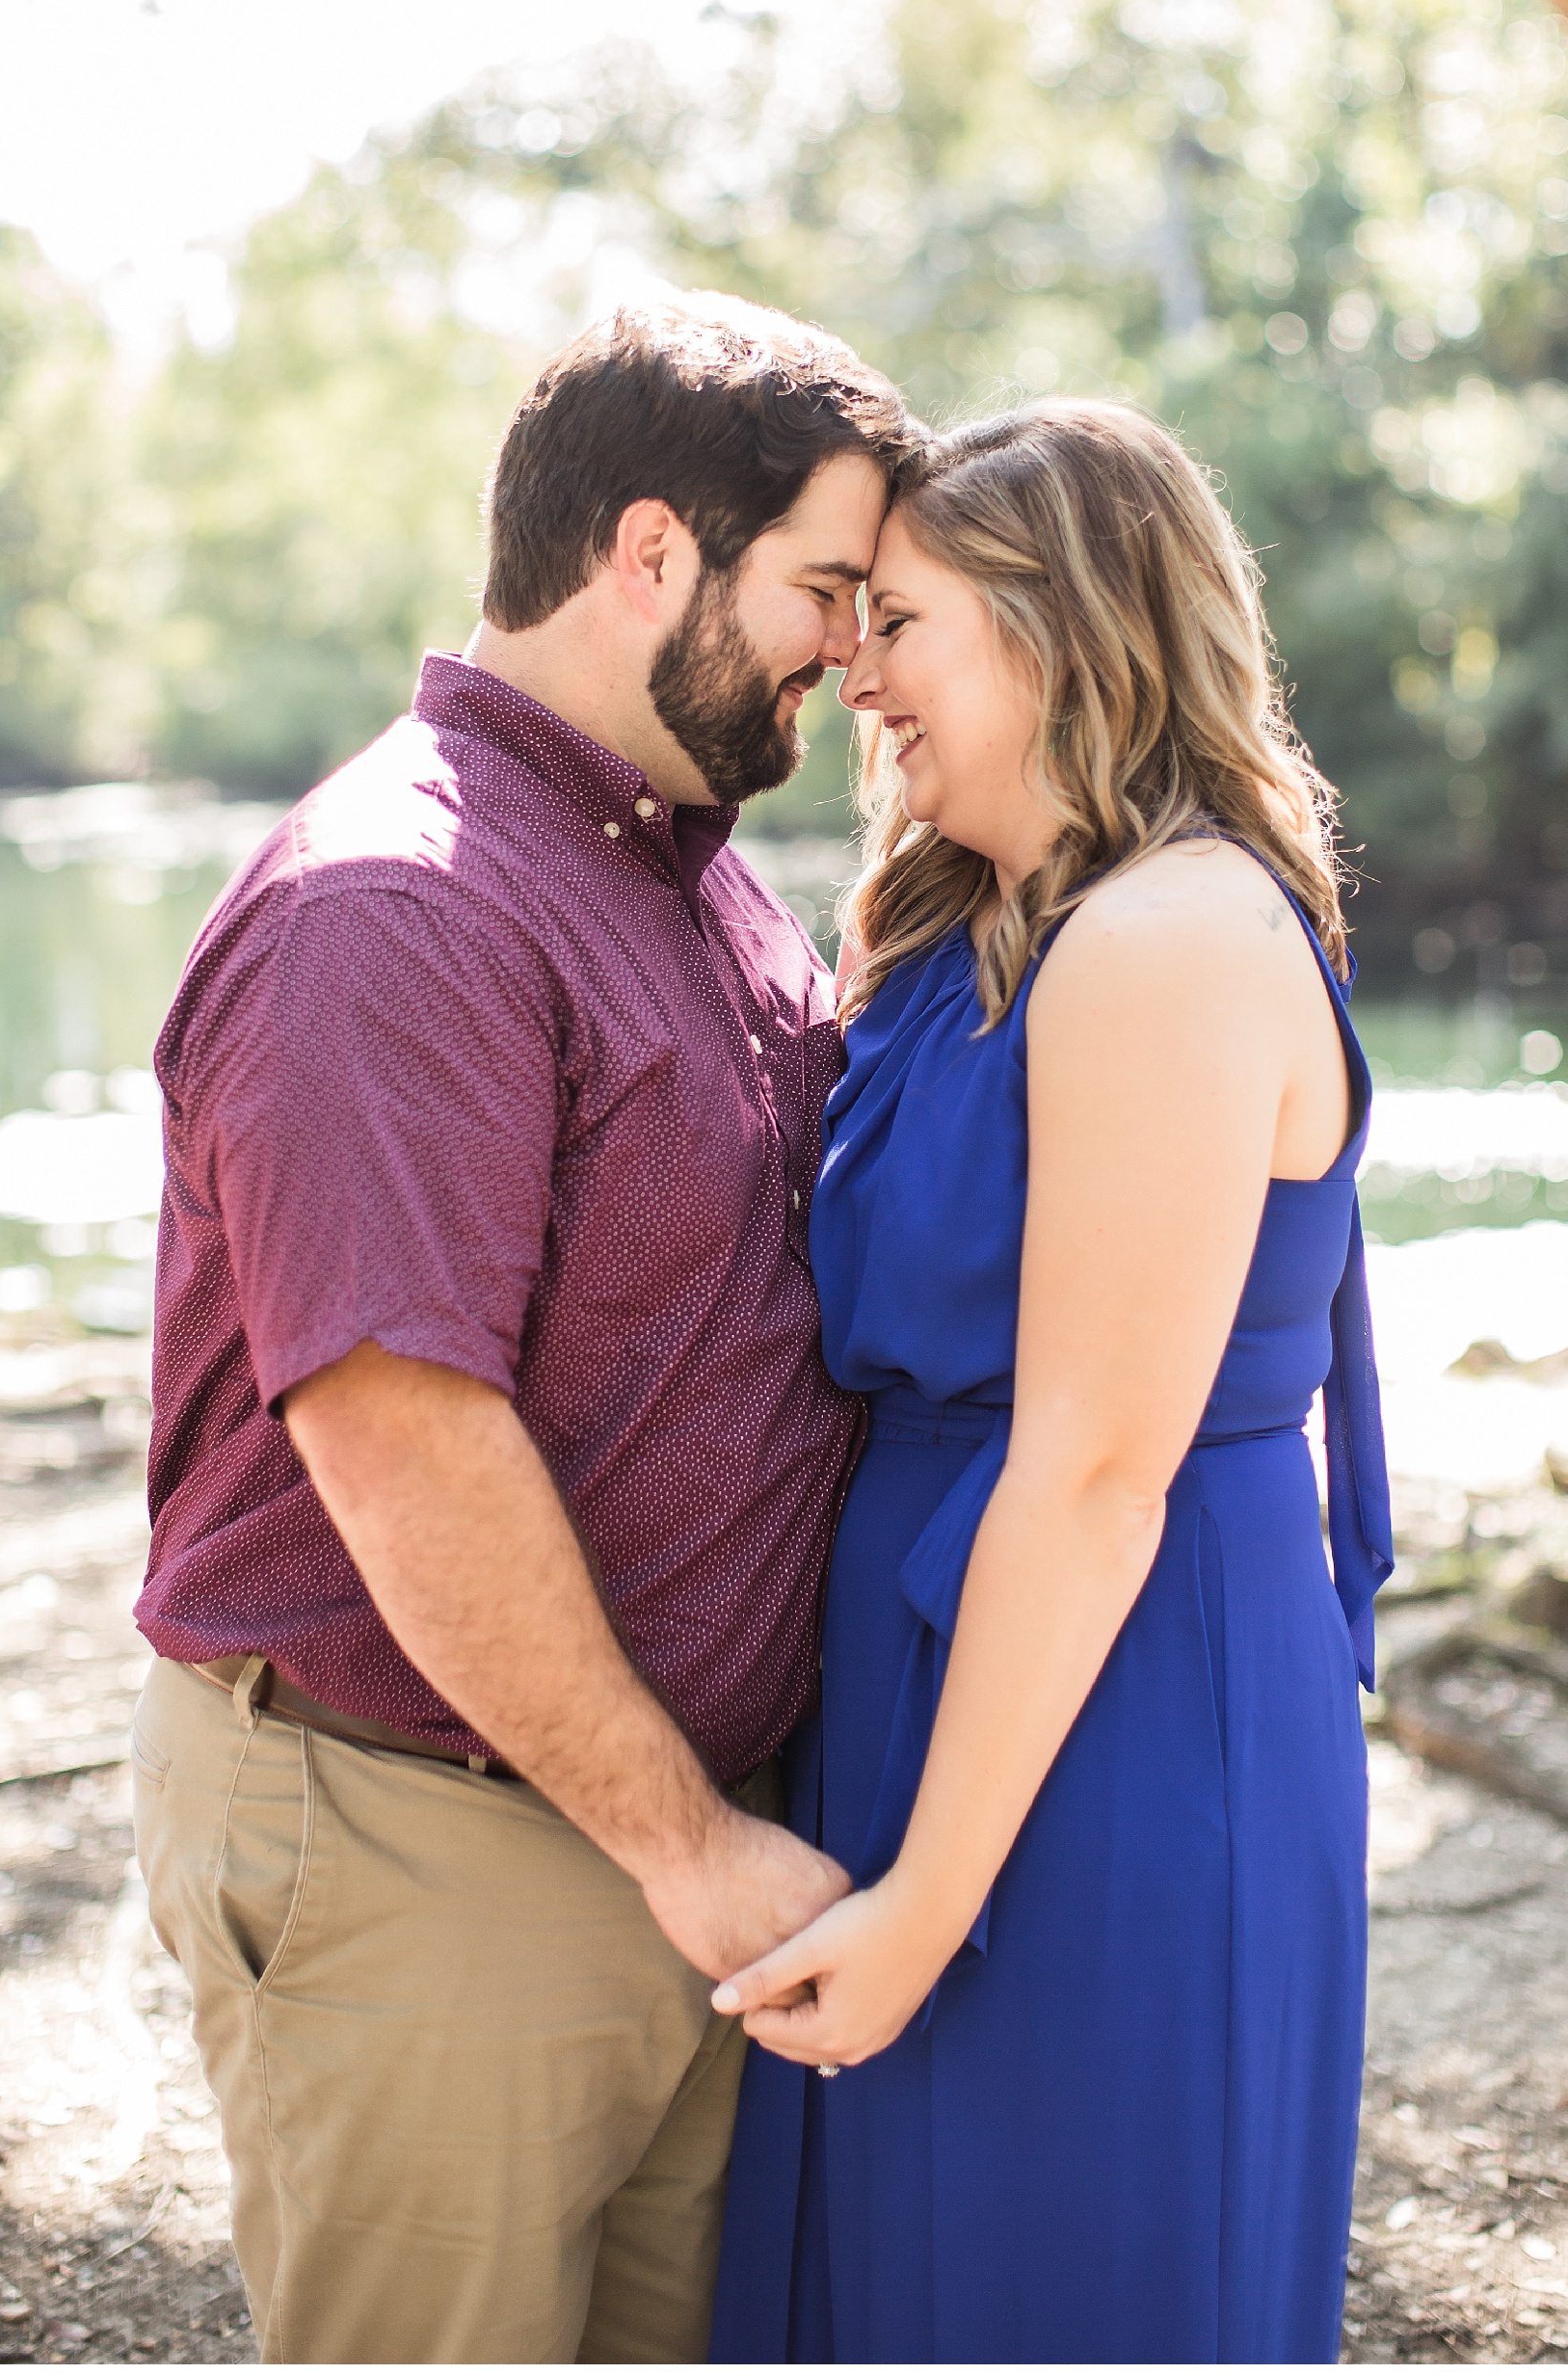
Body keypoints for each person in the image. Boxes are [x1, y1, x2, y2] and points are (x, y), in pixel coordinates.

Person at [129, 297, 913, 2364]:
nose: (852, 647)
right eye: (824, 588)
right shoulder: (395, 910)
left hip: (655, 1839)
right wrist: (688, 1841)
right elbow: (404, 1441)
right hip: (434, 1842)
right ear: (650, 553)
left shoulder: (677, 863)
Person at [708, 401, 1394, 2365]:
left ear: (1061, 627)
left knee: (1060, 2264)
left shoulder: (1168, 939)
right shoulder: (974, 931)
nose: (855, 668)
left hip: (1117, 1700)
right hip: (955, 1670)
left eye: (900, 619)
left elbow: (1097, 1475)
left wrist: (928, 1899)